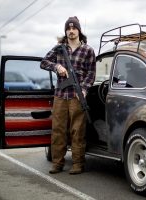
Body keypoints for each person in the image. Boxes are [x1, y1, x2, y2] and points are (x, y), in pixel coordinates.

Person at [40, 16, 96, 174]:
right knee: (58, 129)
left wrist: (84, 90)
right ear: (66, 31)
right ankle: (57, 163)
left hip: (77, 96)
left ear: (79, 30)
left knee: (78, 130)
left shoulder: (88, 50)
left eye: (74, 28)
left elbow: (91, 74)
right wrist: (57, 66)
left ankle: (78, 163)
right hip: (60, 94)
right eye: (68, 29)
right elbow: (43, 62)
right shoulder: (59, 48)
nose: (71, 31)